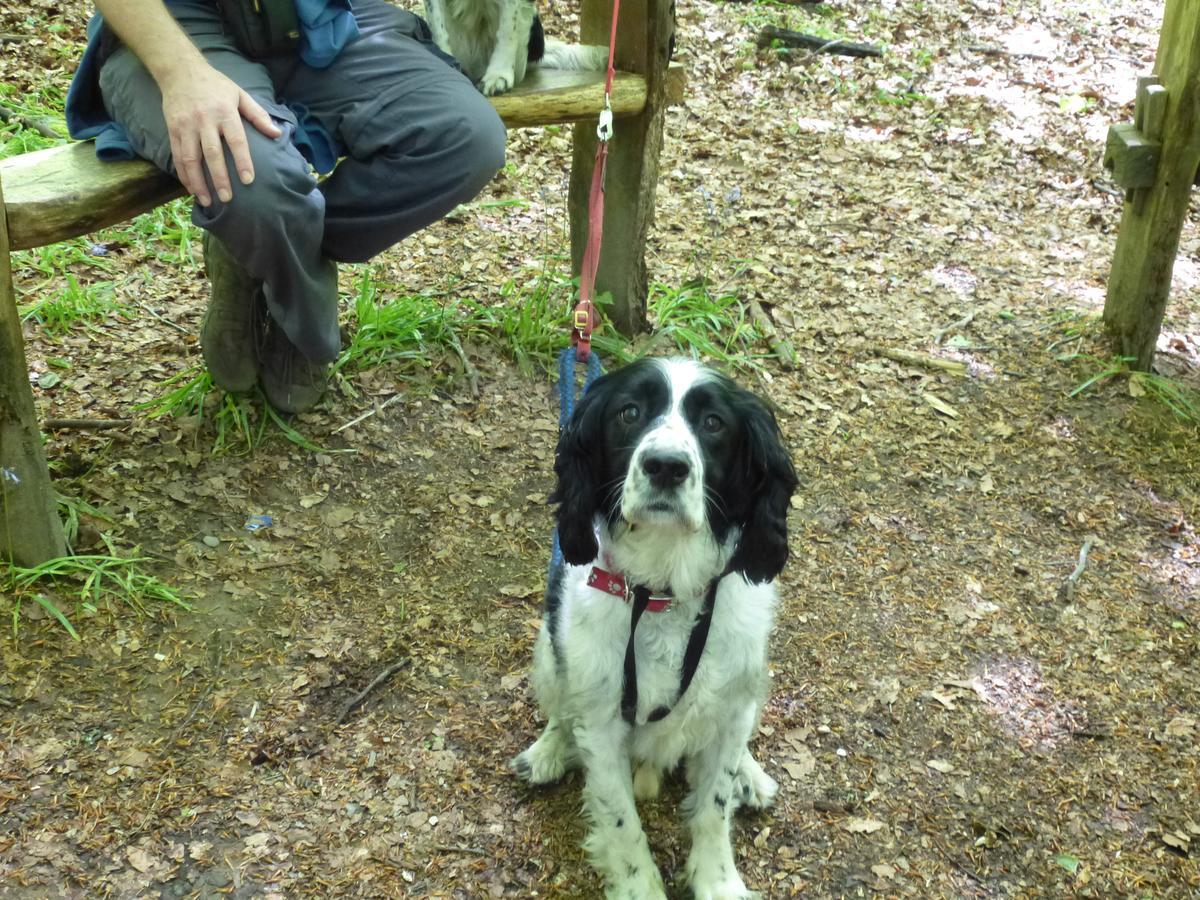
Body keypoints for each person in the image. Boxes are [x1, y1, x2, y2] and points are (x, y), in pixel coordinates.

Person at [66, 0, 506, 413]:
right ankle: (297, 307)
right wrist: (181, 74)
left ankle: (259, 249)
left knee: (466, 139)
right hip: (177, 25)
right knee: (252, 183)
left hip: (324, 19)